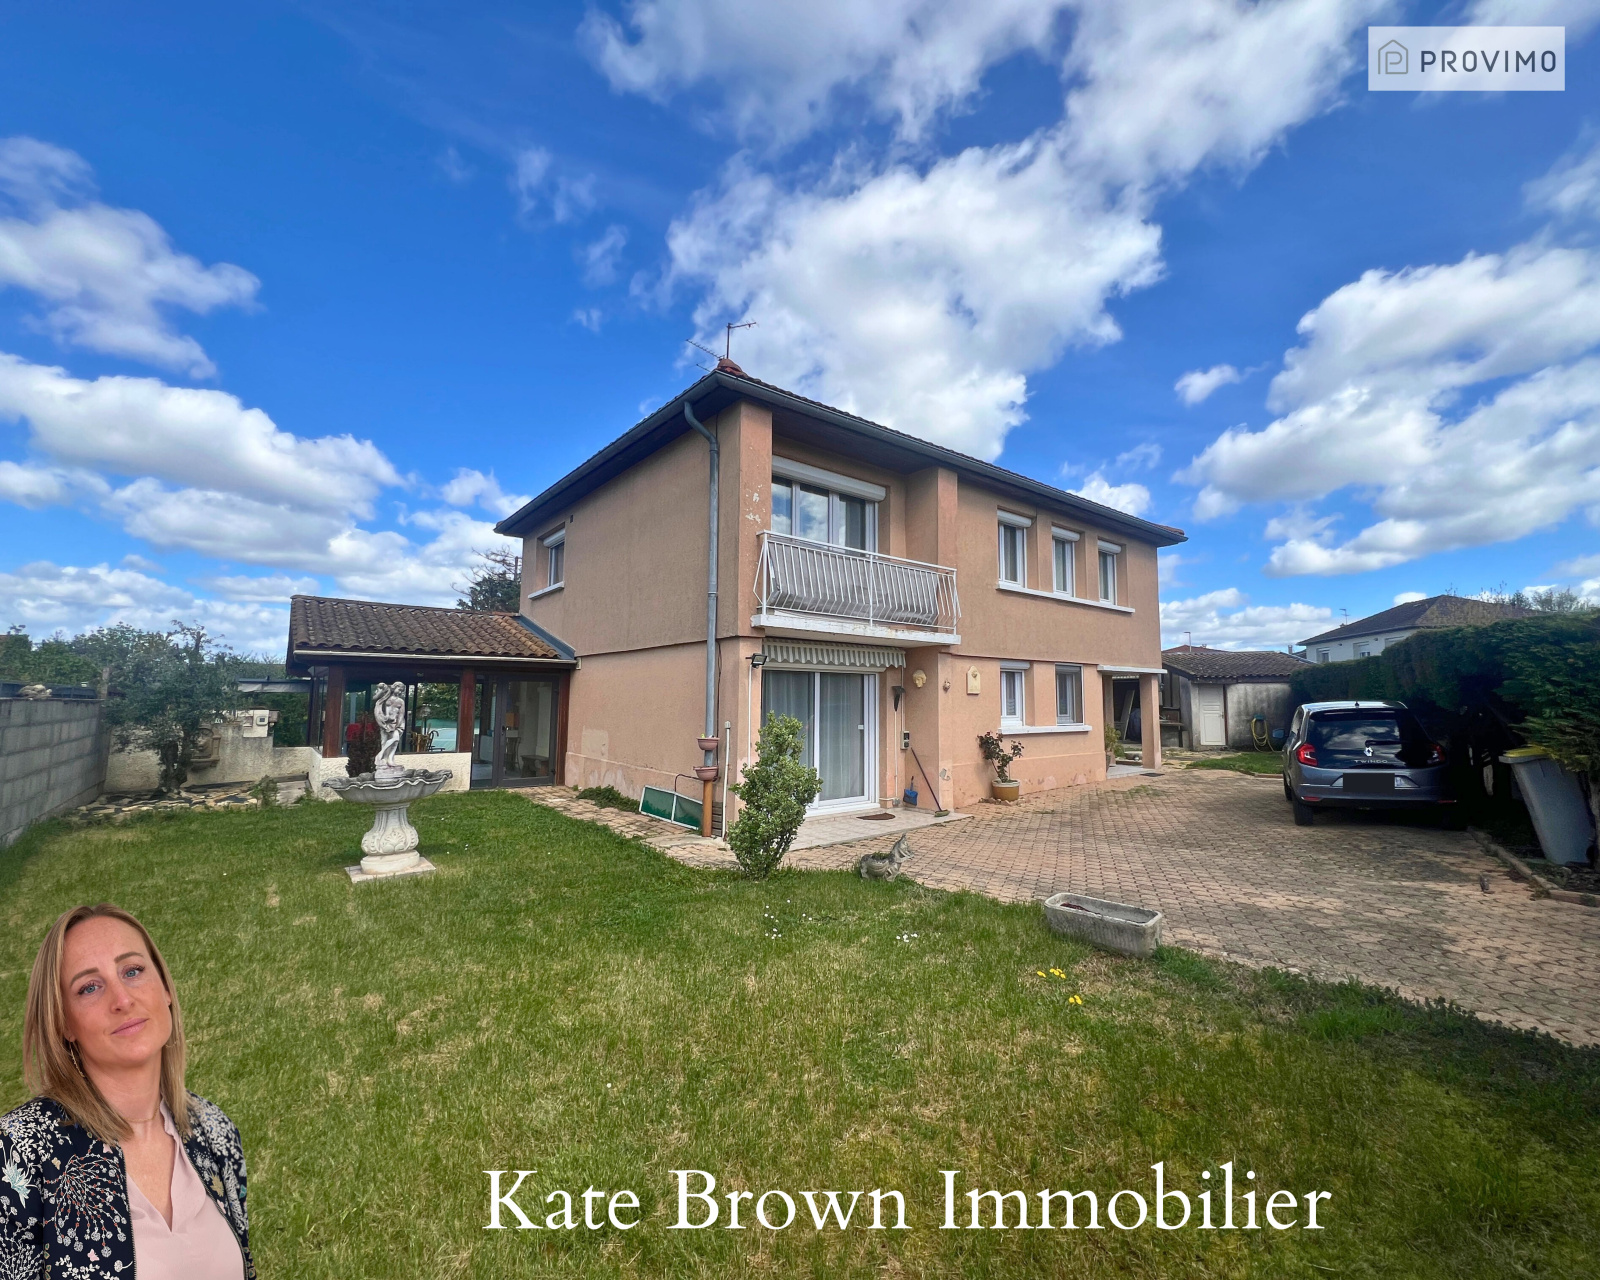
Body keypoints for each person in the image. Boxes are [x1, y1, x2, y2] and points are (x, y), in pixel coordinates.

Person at [0, 904, 253, 1279]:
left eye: (132, 971)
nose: (122, 999)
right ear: (64, 1022)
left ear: (165, 988)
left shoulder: (215, 1131)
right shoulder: (17, 1153)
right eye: (89, 987)